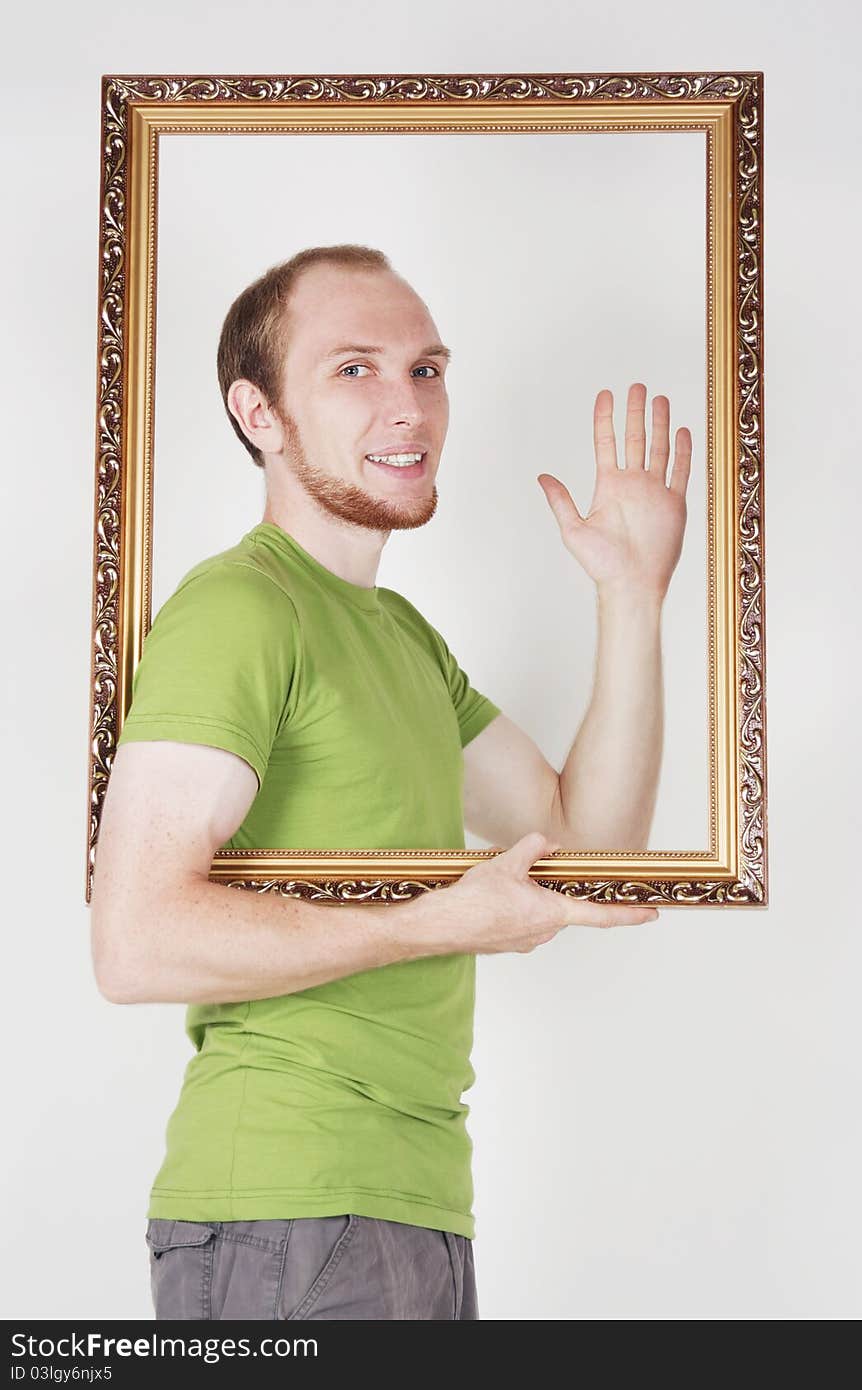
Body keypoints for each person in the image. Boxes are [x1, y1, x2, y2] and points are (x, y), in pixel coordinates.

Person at [90, 243, 690, 1321]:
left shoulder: (403, 637)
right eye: (354, 369)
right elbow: (133, 941)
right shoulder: (242, 609)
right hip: (288, 1205)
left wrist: (631, 597)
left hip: (411, 1207)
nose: (409, 406)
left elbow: (585, 846)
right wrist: (438, 920)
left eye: (426, 368)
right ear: (258, 413)